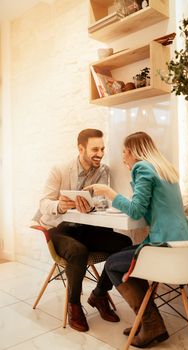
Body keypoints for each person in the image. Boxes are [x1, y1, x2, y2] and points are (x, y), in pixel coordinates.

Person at [85, 131, 188, 348]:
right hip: (185, 245)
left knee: (113, 265)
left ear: (134, 151)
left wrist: (109, 192)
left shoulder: (142, 167)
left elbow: (136, 213)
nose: (123, 157)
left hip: (167, 246)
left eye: (125, 152)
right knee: (121, 259)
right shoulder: (164, 168)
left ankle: (151, 324)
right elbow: (146, 211)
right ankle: (149, 322)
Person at [39, 128, 132, 333]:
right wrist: (59, 206)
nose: (100, 153)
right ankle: (74, 305)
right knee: (78, 251)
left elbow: (102, 202)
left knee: (125, 245)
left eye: (102, 148)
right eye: (95, 149)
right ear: (80, 148)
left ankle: (99, 294)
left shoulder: (103, 171)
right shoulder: (60, 169)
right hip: (60, 230)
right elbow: (43, 203)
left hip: (86, 229)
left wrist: (93, 205)